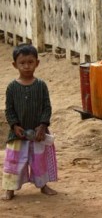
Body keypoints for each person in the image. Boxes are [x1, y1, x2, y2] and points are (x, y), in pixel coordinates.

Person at [2, 43, 58, 200]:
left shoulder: (41, 86)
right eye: (22, 63)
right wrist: (14, 125)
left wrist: (43, 126)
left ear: (37, 63)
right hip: (18, 134)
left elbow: (47, 107)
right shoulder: (12, 88)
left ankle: (43, 185)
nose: (26, 66)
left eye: (30, 62)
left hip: (38, 133)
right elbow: (9, 110)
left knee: (39, 161)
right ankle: (10, 188)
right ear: (15, 65)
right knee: (14, 162)